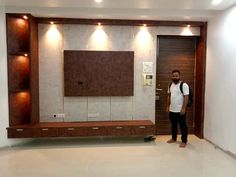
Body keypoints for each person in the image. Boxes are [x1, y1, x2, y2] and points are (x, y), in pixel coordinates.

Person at [166, 70, 189, 148]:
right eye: (173, 76)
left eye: (176, 76)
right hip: (172, 109)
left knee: (183, 126)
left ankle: (184, 141)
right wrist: (167, 106)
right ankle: (174, 138)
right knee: (173, 125)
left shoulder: (184, 85)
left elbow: (186, 97)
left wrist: (183, 108)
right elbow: (169, 96)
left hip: (180, 110)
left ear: (179, 76)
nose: (174, 77)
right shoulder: (170, 85)